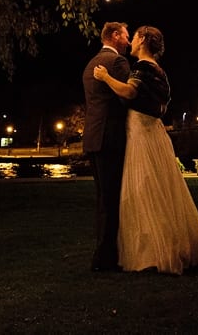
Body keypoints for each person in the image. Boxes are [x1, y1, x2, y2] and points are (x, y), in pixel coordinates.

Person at [94, 25, 198, 275]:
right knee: (162, 187)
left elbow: (130, 91)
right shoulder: (160, 71)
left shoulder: (142, 67)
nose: (130, 42)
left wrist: (106, 77)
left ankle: (152, 251)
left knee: (143, 187)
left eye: (134, 38)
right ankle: (172, 244)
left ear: (142, 40)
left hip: (141, 132)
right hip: (155, 132)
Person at [82, 21, 131, 271]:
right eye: (125, 35)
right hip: (111, 138)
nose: (129, 41)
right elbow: (127, 97)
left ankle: (102, 253)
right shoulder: (118, 64)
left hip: (93, 138)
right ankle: (106, 257)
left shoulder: (91, 63)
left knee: (103, 198)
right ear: (114, 35)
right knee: (112, 199)